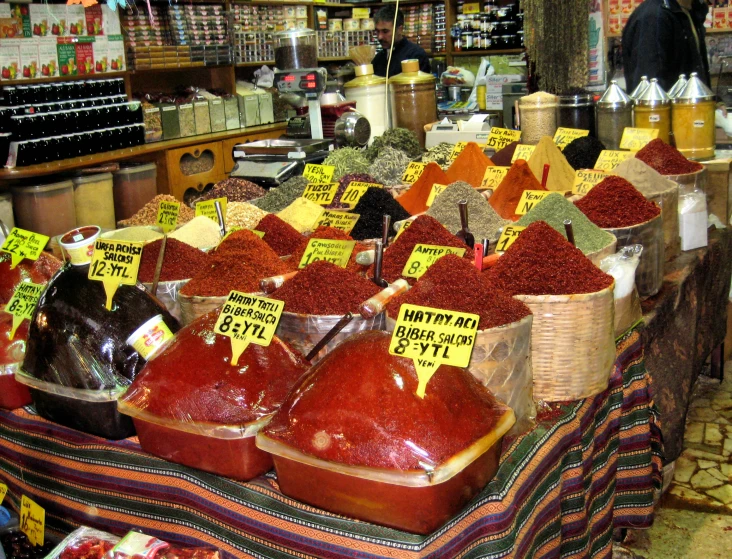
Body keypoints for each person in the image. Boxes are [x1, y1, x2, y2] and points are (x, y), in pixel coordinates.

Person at [622, 0, 711, 94]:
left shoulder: (689, 12)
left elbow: (695, 71)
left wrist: (716, 102)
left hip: (689, 106)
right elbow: (650, 90)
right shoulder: (655, 16)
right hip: (671, 107)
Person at [371, 5, 431, 78]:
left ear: (400, 29)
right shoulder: (378, 59)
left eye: (385, 31)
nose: (379, 37)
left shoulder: (415, 55)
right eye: (377, 31)